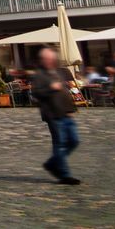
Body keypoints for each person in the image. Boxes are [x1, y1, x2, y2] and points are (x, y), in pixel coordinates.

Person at [29, 46, 82, 185]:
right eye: (47, 58)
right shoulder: (39, 75)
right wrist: (50, 88)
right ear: (43, 60)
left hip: (66, 112)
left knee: (74, 141)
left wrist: (71, 109)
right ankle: (64, 175)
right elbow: (36, 94)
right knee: (60, 144)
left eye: (52, 58)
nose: (50, 60)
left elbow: (65, 91)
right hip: (53, 114)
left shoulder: (59, 72)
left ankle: (52, 163)